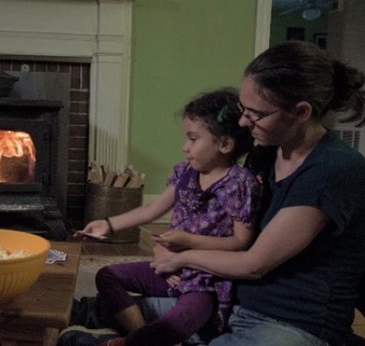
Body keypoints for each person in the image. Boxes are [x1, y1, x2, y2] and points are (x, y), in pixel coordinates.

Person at [150, 41, 365, 346]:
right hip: (231, 302)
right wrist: (174, 245)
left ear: (301, 111)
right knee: (121, 306)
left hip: (294, 323)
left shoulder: (333, 169)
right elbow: (231, 231)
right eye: (242, 109)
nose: (242, 122)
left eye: (255, 114)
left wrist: (183, 257)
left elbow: (255, 264)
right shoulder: (264, 155)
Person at [60, 89, 260, 346]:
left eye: (193, 139)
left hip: (206, 283)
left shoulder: (239, 183)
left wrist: (188, 241)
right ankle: (139, 337)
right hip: (169, 269)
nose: (184, 147)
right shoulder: (186, 172)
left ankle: (122, 342)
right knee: (107, 275)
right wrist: (108, 224)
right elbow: (151, 210)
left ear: (225, 144)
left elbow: (241, 242)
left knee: (175, 324)